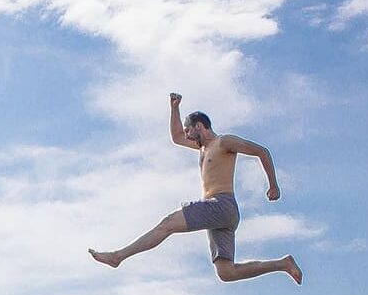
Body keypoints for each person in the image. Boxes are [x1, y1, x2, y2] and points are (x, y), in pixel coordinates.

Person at [89, 94, 303, 284]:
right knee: (226, 272)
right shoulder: (203, 148)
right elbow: (176, 138)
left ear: (200, 126)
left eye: (189, 129)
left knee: (167, 224)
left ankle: (118, 256)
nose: (187, 135)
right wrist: (174, 108)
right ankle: (282, 264)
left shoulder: (223, 142)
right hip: (221, 214)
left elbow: (261, 151)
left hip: (221, 204)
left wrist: (273, 185)